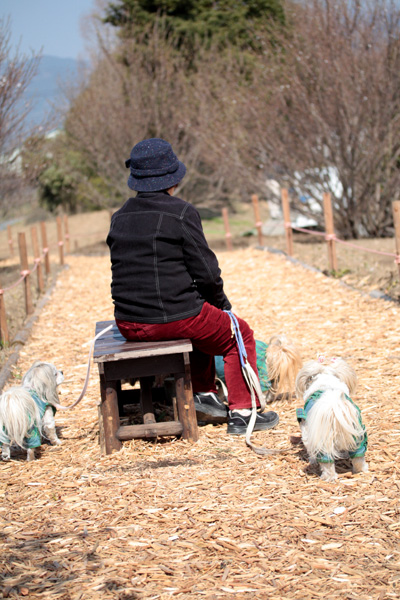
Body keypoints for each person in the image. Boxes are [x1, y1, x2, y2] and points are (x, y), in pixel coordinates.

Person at [106, 138, 279, 435]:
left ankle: (205, 396)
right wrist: (222, 305)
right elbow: (208, 272)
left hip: (128, 322)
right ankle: (243, 412)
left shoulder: (119, 217)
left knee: (201, 317)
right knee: (239, 333)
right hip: (173, 317)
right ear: (172, 179)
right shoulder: (181, 212)